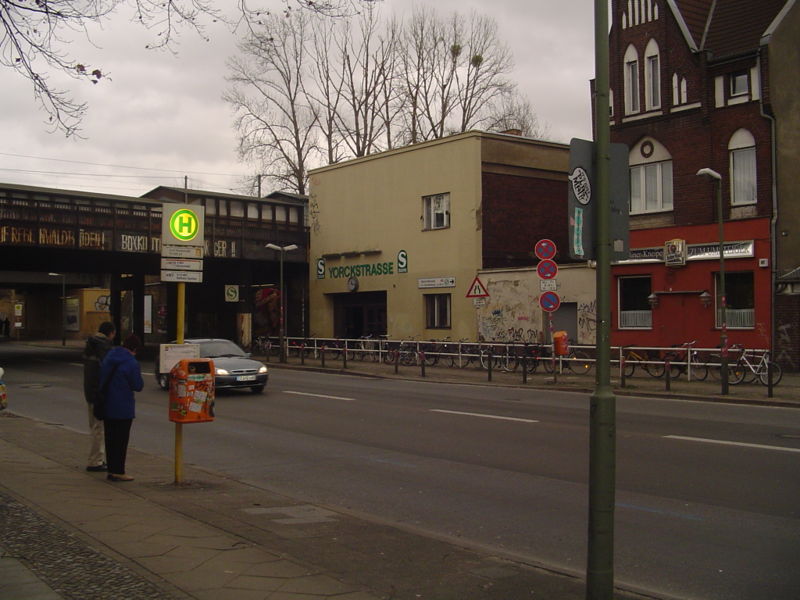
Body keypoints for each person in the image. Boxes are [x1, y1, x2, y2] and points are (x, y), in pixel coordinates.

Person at [98, 334, 143, 482]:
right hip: (123, 408)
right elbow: (138, 385)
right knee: (121, 441)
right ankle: (119, 471)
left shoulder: (109, 357)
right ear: (135, 349)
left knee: (110, 439)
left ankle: (111, 469)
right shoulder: (131, 362)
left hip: (107, 405)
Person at [82, 321, 115, 472]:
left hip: (90, 391)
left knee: (95, 427)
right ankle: (95, 461)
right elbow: (108, 370)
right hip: (98, 393)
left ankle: (97, 459)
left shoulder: (92, 344)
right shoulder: (103, 346)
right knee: (98, 428)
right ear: (110, 333)